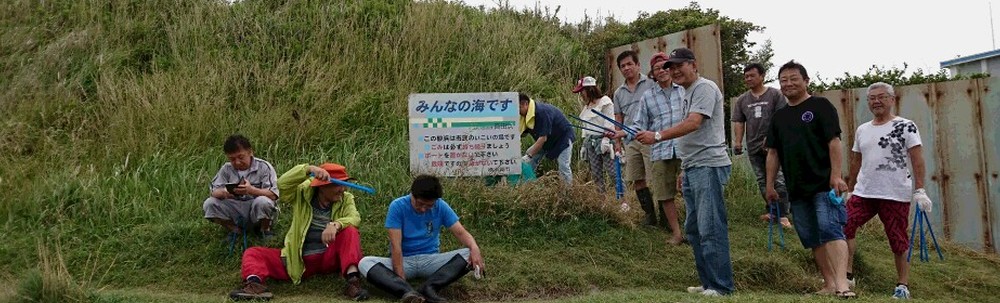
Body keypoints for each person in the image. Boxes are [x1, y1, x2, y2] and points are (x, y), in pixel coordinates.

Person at [609, 47, 734, 296]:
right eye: (671, 67)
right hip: (692, 165)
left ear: (694, 65)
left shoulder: (704, 88)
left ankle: (721, 286)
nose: (675, 71)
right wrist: (684, 168)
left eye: (679, 66)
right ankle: (708, 283)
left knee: (710, 226)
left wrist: (657, 136)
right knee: (694, 229)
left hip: (708, 164)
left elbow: (693, 123)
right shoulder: (687, 92)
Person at [765, 60, 854, 298]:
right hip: (796, 188)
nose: (788, 84)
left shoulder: (820, 106)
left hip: (824, 184)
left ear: (806, 81)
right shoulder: (779, 117)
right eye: (783, 80)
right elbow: (773, 153)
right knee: (812, 237)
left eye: (794, 79)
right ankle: (829, 284)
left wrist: (836, 175)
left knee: (831, 230)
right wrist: (770, 185)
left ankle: (843, 285)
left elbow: (834, 142)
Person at [229, 163, 369, 301]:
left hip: (329, 255)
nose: (342, 189)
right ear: (322, 186)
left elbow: (354, 217)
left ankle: (353, 283)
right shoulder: (302, 192)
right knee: (253, 253)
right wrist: (308, 169)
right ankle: (254, 285)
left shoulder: (346, 198)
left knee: (350, 231)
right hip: (298, 259)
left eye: (345, 184)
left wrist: (336, 224)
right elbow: (282, 185)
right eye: (338, 185)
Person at [845, 82, 932, 300]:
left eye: (882, 97)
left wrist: (920, 189)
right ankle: (846, 275)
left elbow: (917, 158)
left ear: (892, 100)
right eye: (872, 98)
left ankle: (902, 285)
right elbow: (856, 160)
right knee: (844, 224)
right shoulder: (862, 129)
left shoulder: (906, 126)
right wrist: (850, 189)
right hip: (864, 192)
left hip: (894, 192)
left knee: (897, 239)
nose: (876, 101)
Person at [359, 175, 486, 303]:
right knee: (365, 263)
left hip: (430, 260)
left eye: (429, 205)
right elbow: (396, 246)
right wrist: (401, 279)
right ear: (412, 195)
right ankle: (407, 292)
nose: (423, 209)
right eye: (420, 204)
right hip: (405, 260)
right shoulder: (397, 206)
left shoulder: (440, 206)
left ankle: (430, 288)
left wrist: (475, 248)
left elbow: (461, 233)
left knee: (469, 253)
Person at [626, 52, 686, 244]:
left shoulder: (684, 90)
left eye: (664, 67)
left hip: (686, 148)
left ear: (671, 68)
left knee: (690, 190)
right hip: (660, 150)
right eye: (656, 69)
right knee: (664, 193)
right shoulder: (648, 96)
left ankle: (693, 229)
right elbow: (639, 123)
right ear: (652, 73)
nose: (661, 71)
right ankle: (676, 233)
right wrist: (622, 133)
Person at [731, 63, 793, 228]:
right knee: (762, 180)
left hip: (774, 147)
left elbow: (782, 117)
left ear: (762, 76)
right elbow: (739, 121)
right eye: (746, 77)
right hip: (753, 146)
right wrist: (738, 141)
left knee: (778, 179)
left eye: (752, 75)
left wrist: (771, 137)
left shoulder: (775, 94)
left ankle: (783, 215)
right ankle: (772, 211)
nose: (748, 79)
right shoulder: (742, 100)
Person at [612, 50, 659, 226]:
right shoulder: (619, 93)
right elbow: (618, 118)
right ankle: (649, 215)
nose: (626, 68)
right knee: (637, 178)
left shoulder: (651, 84)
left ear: (638, 65)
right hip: (630, 141)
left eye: (629, 64)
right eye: (622, 66)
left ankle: (664, 214)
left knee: (656, 176)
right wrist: (617, 142)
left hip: (650, 137)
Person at [203, 134, 279, 239]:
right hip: (235, 207)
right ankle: (235, 231)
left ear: (250, 152)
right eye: (232, 159)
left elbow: (273, 194)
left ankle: (264, 230)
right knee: (209, 203)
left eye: (241, 157)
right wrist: (226, 192)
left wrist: (251, 190)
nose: (237, 162)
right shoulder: (226, 169)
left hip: (256, 207)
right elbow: (214, 192)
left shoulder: (264, 167)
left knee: (263, 201)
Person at [519, 92, 575, 185]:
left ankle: (567, 191)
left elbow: (542, 138)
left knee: (563, 166)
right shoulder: (525, 116)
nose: (518, 111)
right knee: (529, 158)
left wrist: (529, 156)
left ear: (525, 104)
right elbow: (521, 134)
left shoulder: (542, 112)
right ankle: (528, 186)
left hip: (562, 138)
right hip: (548, 140)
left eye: (519, 108)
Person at [573, 76, 616, 191]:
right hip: (590, 142)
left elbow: (610, 121)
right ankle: (601, 198)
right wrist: (584, 145)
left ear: (589, 89)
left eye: (582, 91)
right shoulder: (587, 107)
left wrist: (606, 139)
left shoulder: (605, 102)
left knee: (613, 173)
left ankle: (622, 197)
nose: (581, 95)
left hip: (604, 140)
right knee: (596, 174)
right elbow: (586, 127)